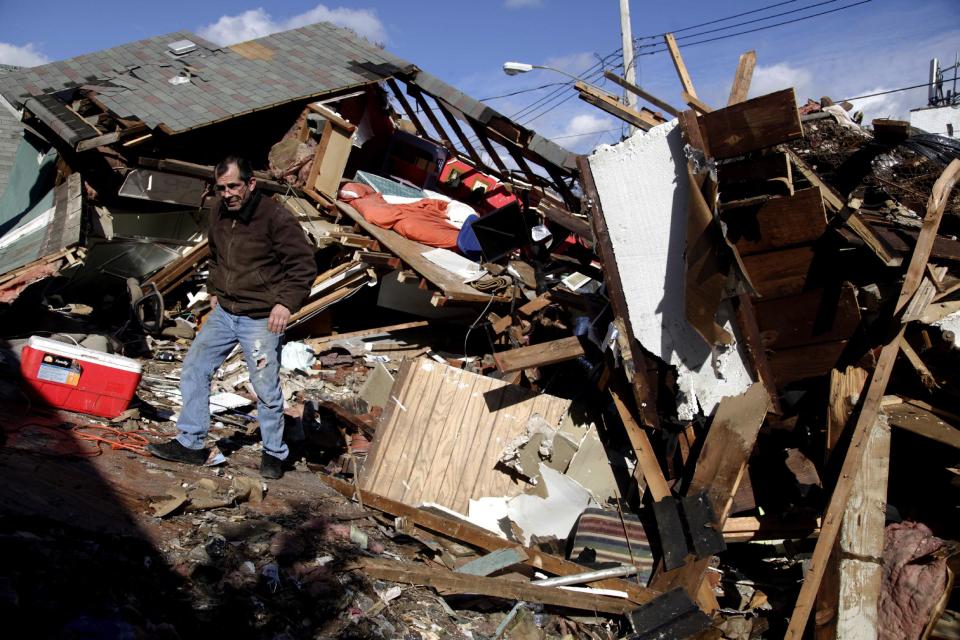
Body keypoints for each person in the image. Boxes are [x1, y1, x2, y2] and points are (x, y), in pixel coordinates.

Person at [147, 156, 316, 479]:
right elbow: (215, 253)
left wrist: (285, 304)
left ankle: (273, 453)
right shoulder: (219, 210)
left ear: (251, 184)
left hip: (261, 319)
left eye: (234, 186)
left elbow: (303, 266)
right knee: (195, 367)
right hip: (225, 312)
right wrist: (214, 288)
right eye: (222, 188)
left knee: (264, 388)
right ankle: (191, 443)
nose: (228, 194)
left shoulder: (276, 217)